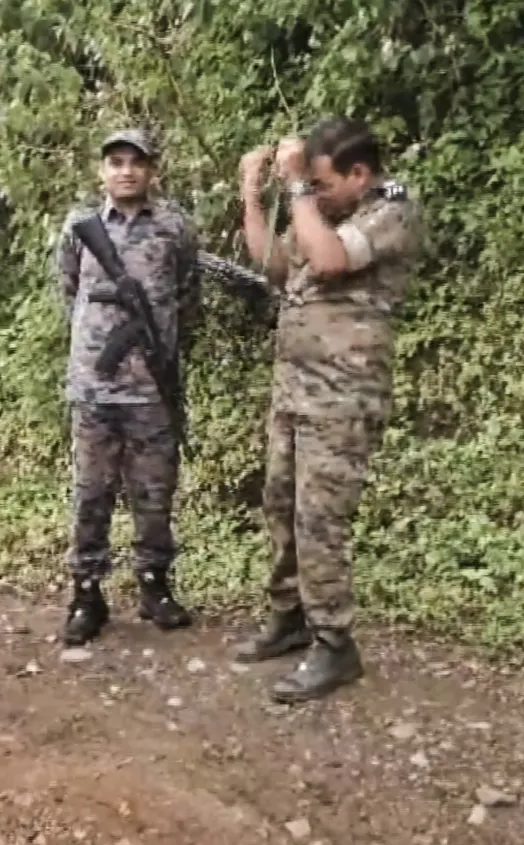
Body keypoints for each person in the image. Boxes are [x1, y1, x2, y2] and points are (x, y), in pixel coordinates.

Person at [233, 117, 423, 702]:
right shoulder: (327, 212)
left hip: (342, 398)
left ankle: (336, 646)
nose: (312, 193)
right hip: (295, 391)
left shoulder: (392, 209)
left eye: (321, 183)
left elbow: (333, 261)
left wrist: (294, 185)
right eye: (309, 185)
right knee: (281, 506)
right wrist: (251, 195)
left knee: (320, 521)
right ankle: (289, 619)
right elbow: (276, 265)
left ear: (359, 174)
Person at [54, 128, 202, 646]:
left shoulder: (173, 226)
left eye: (135, 162)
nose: (125, 171)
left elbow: (187, 293)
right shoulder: (81, 226)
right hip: (95, 386)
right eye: (115, 162)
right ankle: (87, 592)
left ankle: (154, 585)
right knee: (92, 493)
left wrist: (154, 342)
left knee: (154, 494)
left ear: (151, 170)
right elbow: (69, 290)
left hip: (152, 390)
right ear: (102, 171)